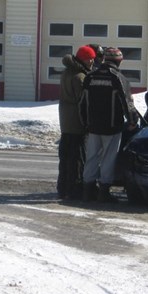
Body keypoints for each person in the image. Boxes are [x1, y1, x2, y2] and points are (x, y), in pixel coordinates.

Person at [79, 47, 139, 202]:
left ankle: (87, 190)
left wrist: (85, 122)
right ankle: (104, 192)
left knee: (91, 157)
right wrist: (132, 121)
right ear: (119, 61)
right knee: (108, 159)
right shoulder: (119, 78)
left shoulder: (90, 77)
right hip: (112, 126)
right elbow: (127, 103)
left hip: (93, 126)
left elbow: (82, 103)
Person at [56, 45, 96, 200]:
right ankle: (74, 189)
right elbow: (83, 100)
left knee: (65, 157)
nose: (92, 61)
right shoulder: (80, 77)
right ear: (84, 59)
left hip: (66, 121)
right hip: (76, 122)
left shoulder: (66, 72)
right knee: (77, 158)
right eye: (90, 59)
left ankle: (63, 187)